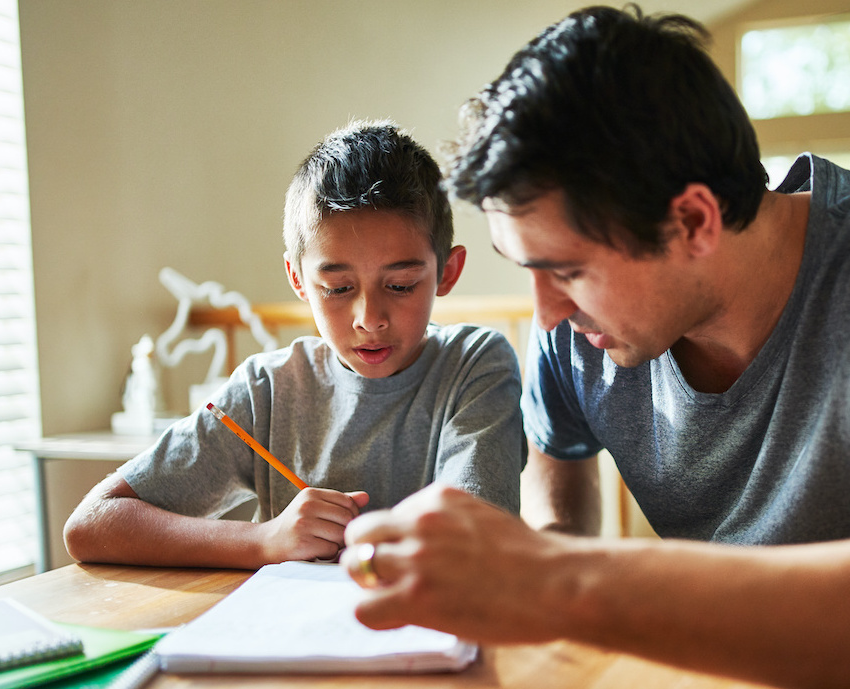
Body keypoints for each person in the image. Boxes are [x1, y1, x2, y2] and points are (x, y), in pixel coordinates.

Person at [339, 6, 850, 688]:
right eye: (530, 271)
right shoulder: (576, 341)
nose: (545, 313)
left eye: (568, 271)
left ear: (695, 221)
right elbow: (557, 537)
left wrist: (559, 580)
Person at [65, 121, 525, 569]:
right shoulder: (268, 389)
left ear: (447, 271)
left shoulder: (475, 366)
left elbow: (477, 540)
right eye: (338, 288)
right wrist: (262, 540)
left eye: (401, 285)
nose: (369, 319)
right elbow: (91, 523)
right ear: (298, 280)